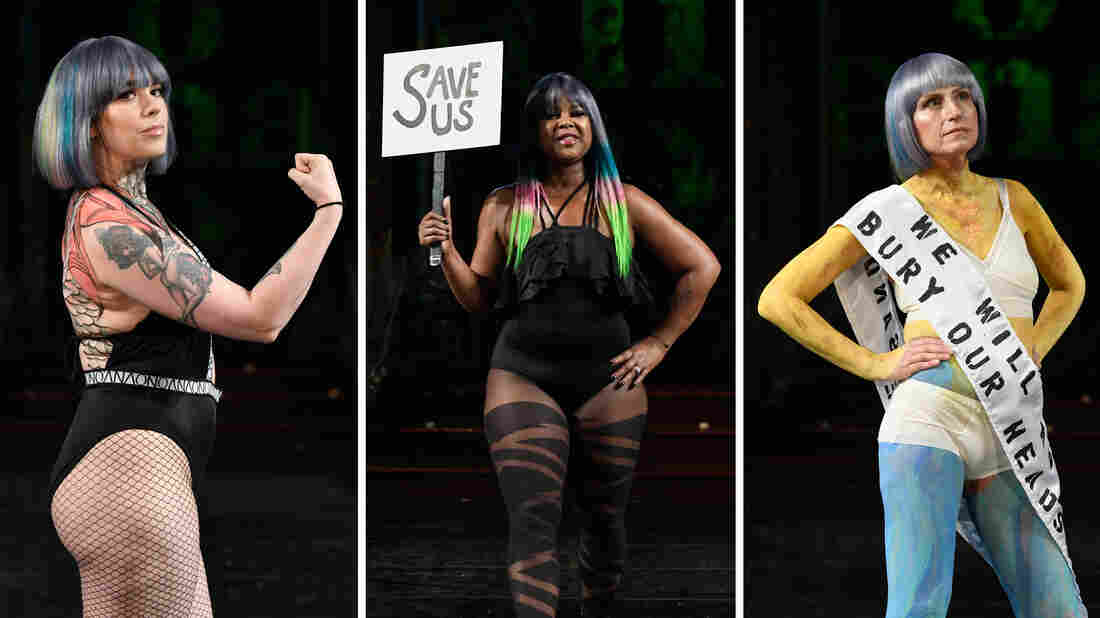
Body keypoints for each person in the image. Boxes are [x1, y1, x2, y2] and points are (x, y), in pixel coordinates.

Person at [758, 52, 1087, 617]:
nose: (953, 111)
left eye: (962, 97)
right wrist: (874, 363)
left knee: (1057, 609)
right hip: (927, 414)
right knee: (918, 607)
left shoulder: (1015, 198)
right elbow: (777, 299)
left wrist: (1034, 347)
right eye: (931, 103)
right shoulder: (889, 209)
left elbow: (1070, 286)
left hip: (1008, 423)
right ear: (904, 123)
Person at [33, 36, 343, 616]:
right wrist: (328, 212)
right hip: (126, 474)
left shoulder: (131, 213)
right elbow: (260, 317)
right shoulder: (108, 228)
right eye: (126, 94)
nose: (153, 105)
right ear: (88, 122)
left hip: (138, 469)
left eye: (156, 90)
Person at [418, 72, 721, 617]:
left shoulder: (623, 203)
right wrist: (450, 254)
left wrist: (660, 342)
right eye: (551, 114)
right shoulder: (505, 206)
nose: (565, 122)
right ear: (534, 131)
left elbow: (704, 266)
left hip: (609, 383)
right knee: (532, 519)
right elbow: (479, 299)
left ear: (593, 126)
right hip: (522, 375)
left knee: (605, 519)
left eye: (576, 112)